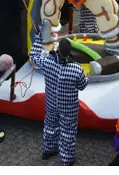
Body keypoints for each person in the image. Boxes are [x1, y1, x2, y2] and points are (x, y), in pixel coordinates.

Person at [30, 31, 88, 166]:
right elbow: (82, 86)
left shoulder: (48, 62)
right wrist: (86, 78)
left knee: (50, 126)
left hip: (51, 104)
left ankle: (48, 150)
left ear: (58, 49)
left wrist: (39, 38)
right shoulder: (76, 69)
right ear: (70, 52)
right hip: (69, 108)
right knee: (68, 132)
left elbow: (33, 56)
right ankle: (67, 160)